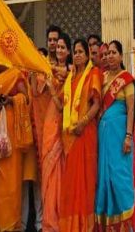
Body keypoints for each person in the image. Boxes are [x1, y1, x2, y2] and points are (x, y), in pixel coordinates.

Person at [95, 40, 135, 231]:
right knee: (105, 179)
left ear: (120, 56)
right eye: (106, 53)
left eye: (113, 53)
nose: (109, 56)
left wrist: (128, 136)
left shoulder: (127, 79)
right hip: (104, 136)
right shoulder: (103, 78)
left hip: (119, 137)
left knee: (120, 178)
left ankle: (128, 225)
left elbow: (131, 111)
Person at [0, 65, 32, 231]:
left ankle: (9, 224)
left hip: (10, 129)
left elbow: (25, 98)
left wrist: (10, 100)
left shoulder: (16, 74)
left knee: (10, 178)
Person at [59, 38, 101, 231]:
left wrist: (82, 123)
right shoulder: (71, 78)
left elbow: (96, 104)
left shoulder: (93, 74)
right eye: (74, 52)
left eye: (80, 52)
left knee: (85, 181)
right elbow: (62, 106)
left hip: (85, 134)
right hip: (70, 137)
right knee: (72, 185)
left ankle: (85, 226)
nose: (76, 55)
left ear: (86, 55)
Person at [40, 32, 72, 232]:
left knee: (60, 172)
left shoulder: (70, 72)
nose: (59, 50)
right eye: (57, 47)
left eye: (62, 47)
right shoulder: (50, 69)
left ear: (68, 51)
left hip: (61, 123)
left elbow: (62, 105)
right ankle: (49, 222)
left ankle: (59, 221)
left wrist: (51, 86)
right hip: (48, 124)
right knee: (48, 172)